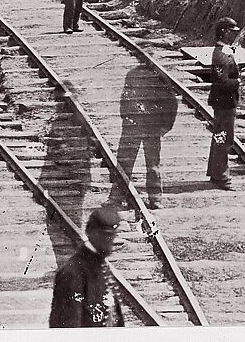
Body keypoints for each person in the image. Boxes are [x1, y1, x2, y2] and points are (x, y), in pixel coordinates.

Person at [50, 207, 125, 328]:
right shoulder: (72, 274)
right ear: (91, 232)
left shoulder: (102, 266)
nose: (112, 241)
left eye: (113, 235)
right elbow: (67, 330)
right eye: (106, 235)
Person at [115, 74, 178, 210]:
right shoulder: (133, 75)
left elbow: (171, 103)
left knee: (153, 165)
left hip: (152, 127)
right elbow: (125, 99)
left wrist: (166, 126)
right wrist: (126, 117)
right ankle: (116, 197)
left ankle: (155, 199)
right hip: (133, 126)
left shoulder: (160, 78)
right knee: (124, 162)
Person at [207, 17, 242, 190]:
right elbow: (221, 81)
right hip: (224, 102)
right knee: (224, 138)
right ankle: (221, 177)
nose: (234, 35)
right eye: (231, 32)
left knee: (220, 137)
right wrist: (238, 82)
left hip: (224, 101)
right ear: (224, 32)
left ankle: (216, 172)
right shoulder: (221, 54)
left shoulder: (224, 51)